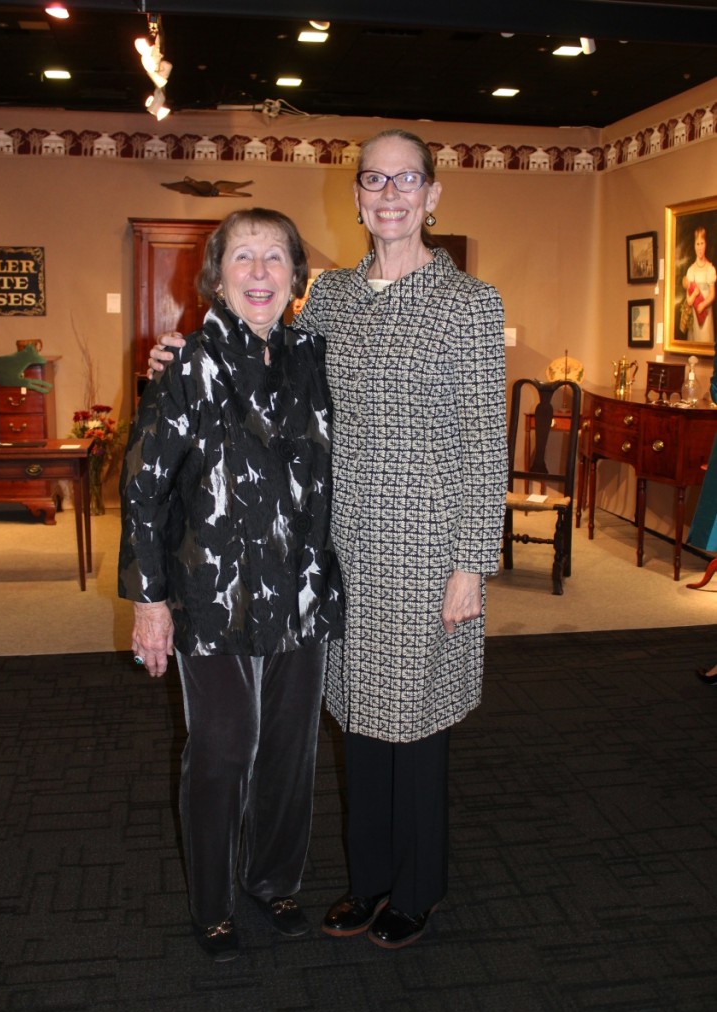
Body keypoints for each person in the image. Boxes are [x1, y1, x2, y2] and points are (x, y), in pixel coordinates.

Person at [151, 129, 508, 949]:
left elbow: (486, 443)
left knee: (417, 722)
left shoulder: (470, 304)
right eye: (374, 180)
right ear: (356, 196)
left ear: (433, 195)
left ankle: (417, 887)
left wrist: (470, 565)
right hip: (338, 549)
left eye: (406, 180)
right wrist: (182, 350)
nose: (390, 195)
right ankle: (369, 879)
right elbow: (261, 352)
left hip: (427, 549)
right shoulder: (335, 299)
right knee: (358, 721)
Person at [119, 208, 343, 963]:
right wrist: (149, 601)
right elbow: (144, 486)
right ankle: (213, 903)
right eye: (242, 257)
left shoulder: (317, 355)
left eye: (274, 257)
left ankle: (274, 882)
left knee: (288, 748)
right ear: (216, 276)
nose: (258, 271)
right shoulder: (185, 364)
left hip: (302, 588)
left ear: (294, 278)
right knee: (222, 747)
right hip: (209, 594)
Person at [683, 225, 716, 346]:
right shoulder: (691, 270)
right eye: (697, 244)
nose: (700, 247)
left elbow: (712, 294)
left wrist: (704, 304)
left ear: (705, 244)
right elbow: (689, 300)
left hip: (706, 314)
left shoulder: (710, 269)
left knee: (706, 341)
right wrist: (695, 295)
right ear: (694, 245)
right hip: (695, 315)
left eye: (702, 243)